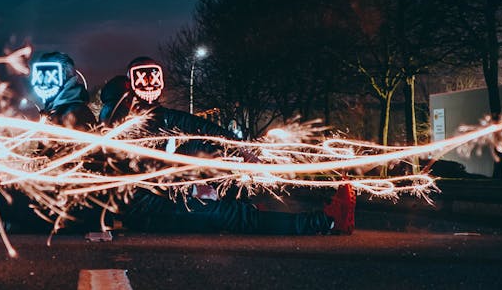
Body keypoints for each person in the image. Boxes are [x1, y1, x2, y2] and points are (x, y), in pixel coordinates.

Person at [98, 57, 356, 236]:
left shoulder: (143, 115)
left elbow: (192, 129)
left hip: (152, 201)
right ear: (129, 92)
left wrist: (236, 151)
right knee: (230, 217)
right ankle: (326, 222)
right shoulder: (128, 119)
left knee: (202, 147)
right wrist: (190, 189)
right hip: (147, 210)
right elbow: (147, 167)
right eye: (141, 83)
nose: (150, 88)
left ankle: (239, 203)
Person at [0, 51, 97, 234]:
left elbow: (63, 165)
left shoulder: (74, 114)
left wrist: (26, 172)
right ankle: (16, 222)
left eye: (49, 76)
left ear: (67, 78)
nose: (42, 83)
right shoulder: (59, 112)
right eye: (40, 76)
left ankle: (22, 225)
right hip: (61, 197)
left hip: (70, 204)